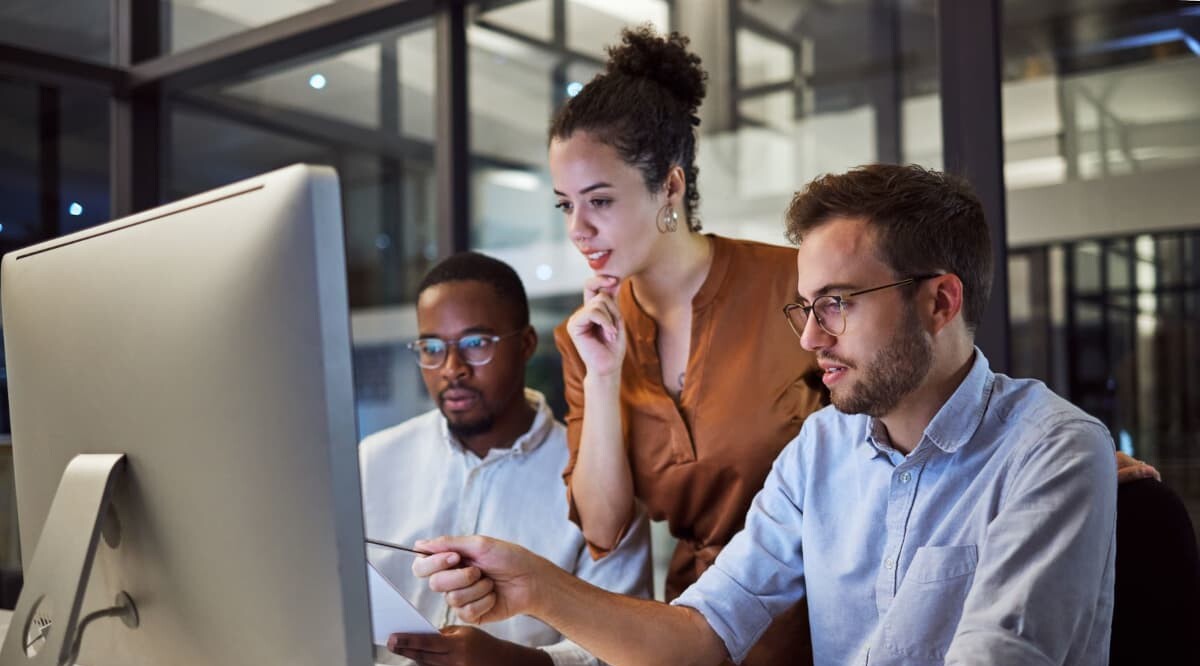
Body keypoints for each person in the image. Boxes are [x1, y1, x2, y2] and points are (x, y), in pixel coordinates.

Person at [412, 165, 1119, 665]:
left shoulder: (1051, 453)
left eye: (837, 303)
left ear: (939, 302)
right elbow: (699, 634)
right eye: (806, 307)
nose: (811, 339)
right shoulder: (822, 449)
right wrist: (538, 587)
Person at [549, 26, 824, 663]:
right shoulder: (587, 337)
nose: (578, 230)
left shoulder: (797, 284)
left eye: (599, 201)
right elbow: (603, 527)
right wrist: (603, 376)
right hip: (691, 629)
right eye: (564, 205)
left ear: (670, 187)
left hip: (827, 619)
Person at [359, 252, 651, 666]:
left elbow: (628, 649)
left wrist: (515, 662)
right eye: (432, 347)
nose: (452, 368)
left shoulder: (596, 479)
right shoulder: (374, 461)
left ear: (527, 344)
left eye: (476, 344)